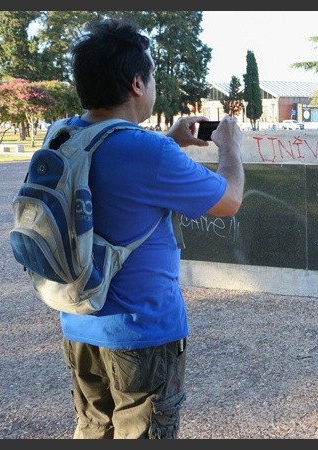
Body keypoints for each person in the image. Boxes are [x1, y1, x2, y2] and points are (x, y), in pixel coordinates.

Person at [57, 18, 245, 439]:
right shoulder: (147, 150)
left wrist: (168, 139)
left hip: (79, 320)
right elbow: (229, 200)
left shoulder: (64, 134)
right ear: (138, 84)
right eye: (153, 77)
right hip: (141, 331)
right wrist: (230, 147)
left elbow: (112, 166)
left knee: (93, 428)